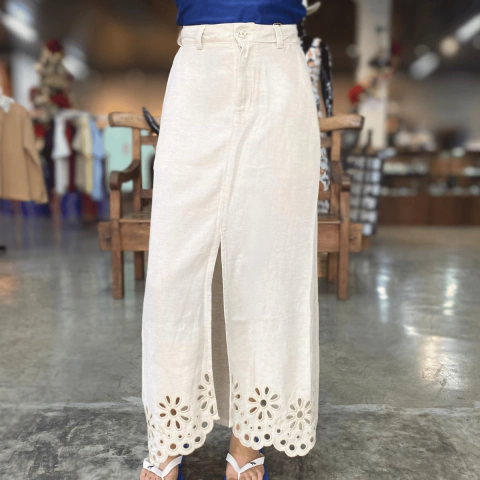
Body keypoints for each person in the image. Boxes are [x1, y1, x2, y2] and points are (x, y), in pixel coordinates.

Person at [140, 1, 321, 479]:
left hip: (278, 62)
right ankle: (169, 432)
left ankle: (248, 438)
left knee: (269, 259)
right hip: (200, 63)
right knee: (173, 264)